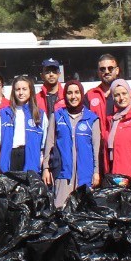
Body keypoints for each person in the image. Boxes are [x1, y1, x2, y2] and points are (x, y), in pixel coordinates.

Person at [0, 76, 54, 185]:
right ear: (13, 92)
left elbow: (45, 146)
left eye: (24, 89)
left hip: (31, 161)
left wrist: (45, 167)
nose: (21, 93)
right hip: (10, 160)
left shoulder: (40, 115)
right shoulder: (4, 114)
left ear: (30, 91)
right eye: (17, 89)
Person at [50, 79, 101, 207]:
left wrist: (96, 172)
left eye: (77, 92)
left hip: (85, 174)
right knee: (60, 210)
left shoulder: (92, 118)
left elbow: (96, 148)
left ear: (82, 94)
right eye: (69, 93)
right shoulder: (57, 116)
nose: (73, 96)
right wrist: (46, 168)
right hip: (63, 173)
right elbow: (49, 143)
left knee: (82, 213)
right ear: (65, 95)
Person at [100, 79, 131, 189]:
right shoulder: (111, 120)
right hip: (115, 178)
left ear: (130, 94)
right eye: (117, 95)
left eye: (124, 93)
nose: (121, 98)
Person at [86, 53, 121, 122]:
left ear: (117, 70)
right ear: (98, 72)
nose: (107, 71)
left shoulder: (127, 94)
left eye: (110, 68)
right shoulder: (89, 95)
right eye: (102, 69)